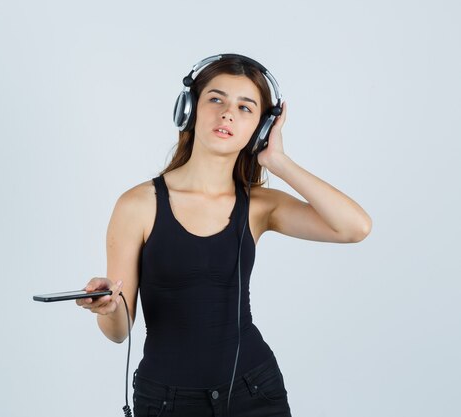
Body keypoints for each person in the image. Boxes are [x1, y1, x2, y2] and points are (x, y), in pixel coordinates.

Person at [75, 54, 372, 417]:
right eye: (216, 99)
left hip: (254, 390)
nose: (228, 113)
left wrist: (277, 161)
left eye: (245, 108)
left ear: (260, 128)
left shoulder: (261, 206)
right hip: (166, 402)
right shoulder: (137, 205)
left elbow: (355, 227)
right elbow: (119, 332)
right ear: (189, 110)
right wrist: (107, 308)